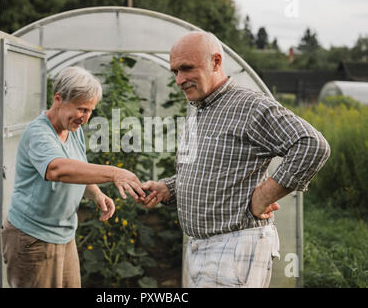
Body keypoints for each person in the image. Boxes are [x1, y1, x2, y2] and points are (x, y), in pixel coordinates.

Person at [141, 32, 330, 288]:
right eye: (175, 71)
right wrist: (168, 188)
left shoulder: (250, 106)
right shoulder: (199, 109)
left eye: (187, 68)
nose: (180, 79)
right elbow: (208, 169)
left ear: (216, 62)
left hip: (234, 246)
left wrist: (264, 196)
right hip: (202, 246)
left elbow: (312, 145)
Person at [1, 66, 145, 288]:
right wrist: (114, 173)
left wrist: (96, 193)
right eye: (81, 109)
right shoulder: (38, 134)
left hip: (64, 233)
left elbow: (78, 168)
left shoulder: (72, 130)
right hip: (33, 237)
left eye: (90, 111)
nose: (85, 118)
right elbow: (57, 170)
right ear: (58, 99)